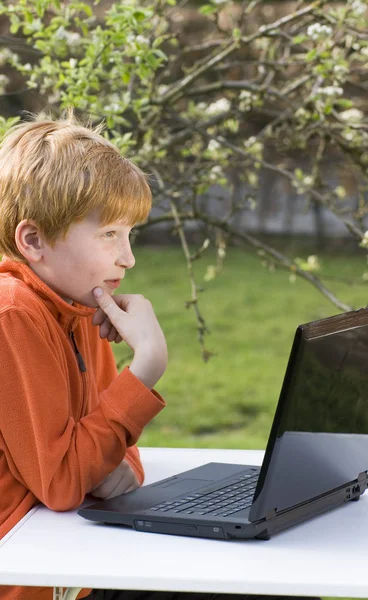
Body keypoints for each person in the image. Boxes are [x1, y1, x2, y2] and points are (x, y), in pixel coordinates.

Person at [0, 111, 318, 600]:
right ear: (33, 240)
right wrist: (145, 367)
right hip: (39, 582)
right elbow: (63, 482)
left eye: (130, 235)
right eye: (109, 235)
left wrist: (111, 461)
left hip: (82, 563)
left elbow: (118, 456)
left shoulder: (81, 306)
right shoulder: (12, 316)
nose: (127, 258)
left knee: (278, 583)